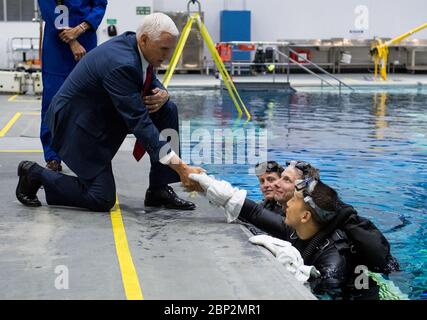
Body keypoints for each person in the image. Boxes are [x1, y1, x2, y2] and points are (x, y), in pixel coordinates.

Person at [15, 13, 204, 212]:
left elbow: (145, 74)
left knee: (167, 109)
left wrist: (163, 92)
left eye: (171, 50)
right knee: (101, 198)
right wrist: (180, 166)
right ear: (145, 39)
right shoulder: (121, 64)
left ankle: (159, 189)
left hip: (98, 113)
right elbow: (140, 123)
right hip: (75, 126)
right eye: (164, 49)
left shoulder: (136, 43)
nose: (167, 56)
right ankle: (34, 174)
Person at [189, 169, 399, 299]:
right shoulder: (298, 229)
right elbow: (254, 212)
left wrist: (297, 271)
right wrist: (216, 189)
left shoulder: (334, 259)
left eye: (294, 201)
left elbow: (325, 292)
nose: (286, 203)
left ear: (306, 216)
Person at [38, 0, 107, 172]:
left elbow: (100, 5)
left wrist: (81, 28)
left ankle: (84, 153)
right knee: (53, 103)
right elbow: (50, 9)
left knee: (87, 101)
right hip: (57, 45)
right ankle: (53, 157)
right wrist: (72, 41)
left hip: (87, 39)